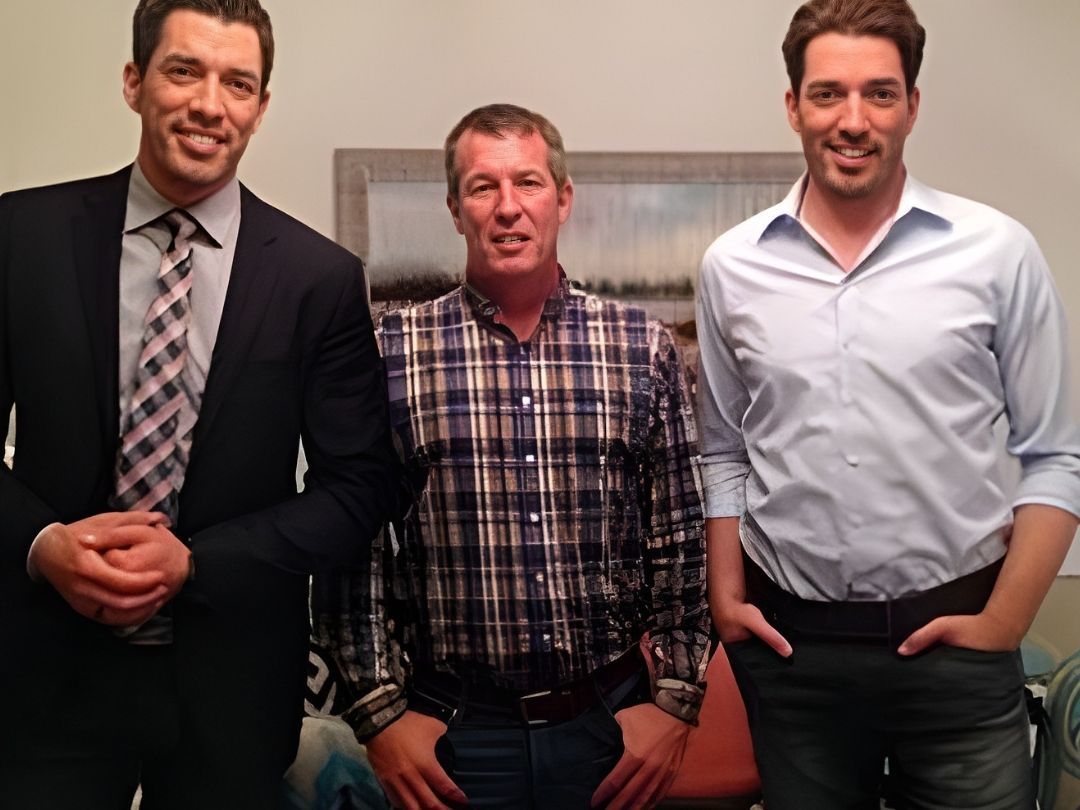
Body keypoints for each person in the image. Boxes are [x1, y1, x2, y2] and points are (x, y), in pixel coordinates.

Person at [0, 1, 398, 807]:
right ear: (134, 81)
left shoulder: (318, 279)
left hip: (232, 690)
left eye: (238, 83)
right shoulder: (20, 235)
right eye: (184, 71)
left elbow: (359, 487)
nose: (210, 104)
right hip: (44, 680)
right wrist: (42, 545)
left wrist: (196, 563)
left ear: (260, 106)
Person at [695, 0, 1080, 807]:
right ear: (793, 105)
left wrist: (1003, 626)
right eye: (829, 94)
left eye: (879, 93)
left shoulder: (995, 252)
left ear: (912, 105)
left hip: (959, 653)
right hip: (792, 656)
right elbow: (726, 448)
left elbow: (1057, 453)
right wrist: (727, 599)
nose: (853, 120)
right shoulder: (733, 266)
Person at [312, 103, 710, 810]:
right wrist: (379, 716)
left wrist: (675, 702)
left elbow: (680, 542)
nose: (507, 209)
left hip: (608, 731)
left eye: (527, 183)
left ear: (562, 198)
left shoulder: (639, 349)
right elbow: (355, 549)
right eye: (481, 187)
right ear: (455, 208)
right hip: (455, 738)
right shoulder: (394, 353)